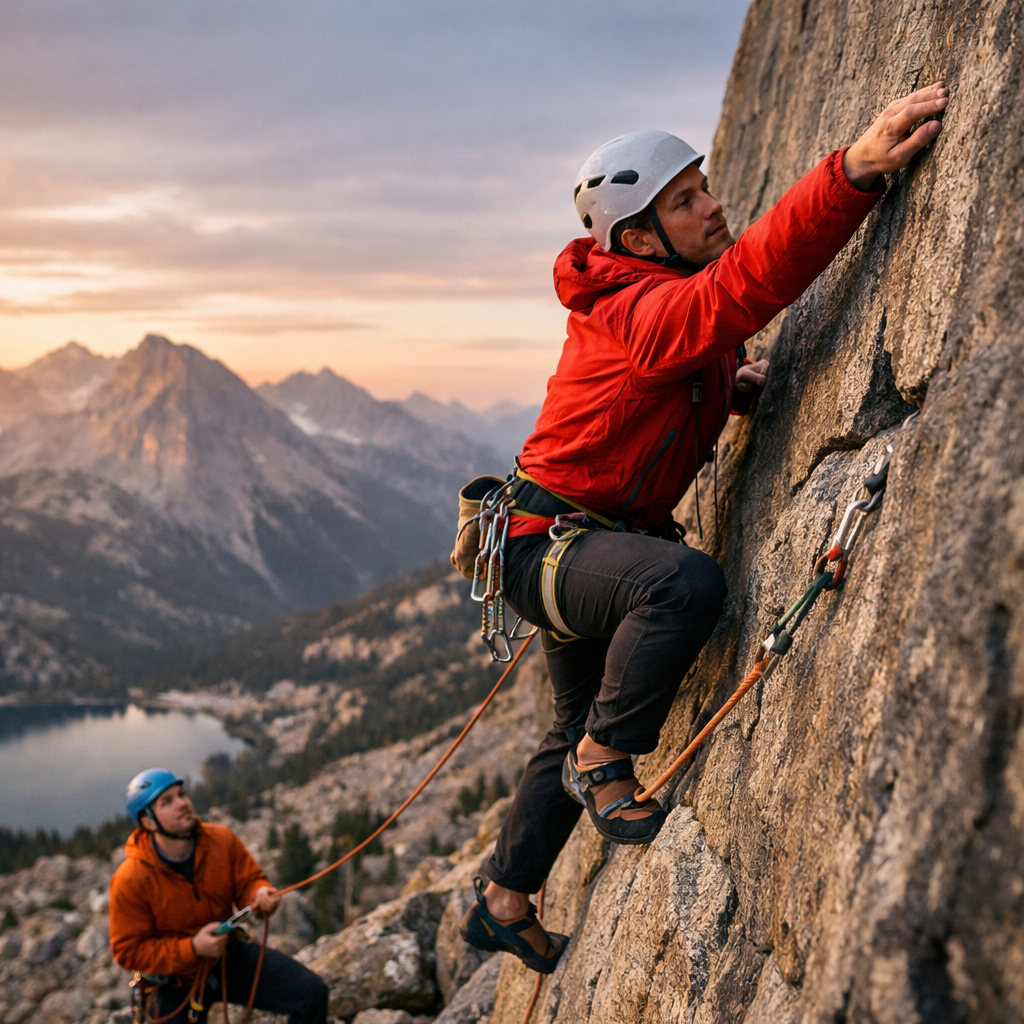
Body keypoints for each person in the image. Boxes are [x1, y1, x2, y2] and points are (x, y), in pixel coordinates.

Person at [460, 83, 949, 973]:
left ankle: (503, 899)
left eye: (704, 185)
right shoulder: (640, 308)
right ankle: (608, 757)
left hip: (567, 542)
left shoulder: (651, 294)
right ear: (639, 238)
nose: (713, 205)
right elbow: (732, 295)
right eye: (685, 200)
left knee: (563, 730)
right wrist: (853, 172)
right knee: (681, 587)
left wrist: (728, 388)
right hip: (552, 548)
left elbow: (681, 364)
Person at [109, 768, 329, 1024]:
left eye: (181, 794)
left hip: (228, 959)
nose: (182, 803)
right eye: (167, 802)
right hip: (172, 981)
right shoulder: (131, 879)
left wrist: (259, 894)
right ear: (148, 822)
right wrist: (191, 948)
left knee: (312, 993)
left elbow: (248, 881)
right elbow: (129, 951)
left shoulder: (220, 841)